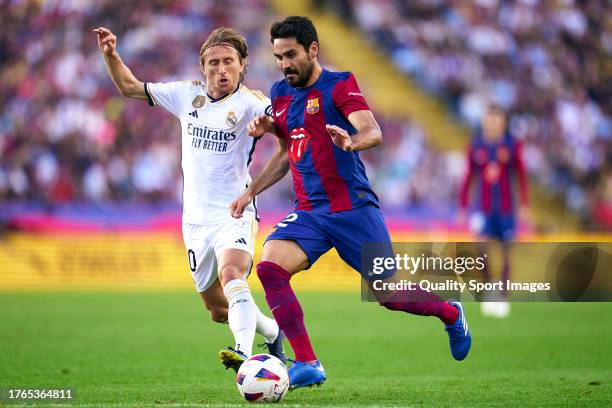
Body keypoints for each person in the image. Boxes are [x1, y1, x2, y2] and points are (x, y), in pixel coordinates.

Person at [231, 16, 471, 390]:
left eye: (291, 55)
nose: (284, 64)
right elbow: (285, 154)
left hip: (353, 210)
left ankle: (449, 311)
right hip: (310, 212)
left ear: (312, 50)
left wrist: (351, 142)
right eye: (279, 56)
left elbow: (372, 131)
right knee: (270, 268)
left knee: (389, 295)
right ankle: (308, 362)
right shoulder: (279, 93)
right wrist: (250, 192)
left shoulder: (340, 85)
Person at [94, 26, 285, 372]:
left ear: (243, 66)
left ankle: (243, 353)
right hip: (195, 220)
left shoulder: (254, 104)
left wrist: (270, 127)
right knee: (217, 309)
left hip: (234, 211)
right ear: (202, 68)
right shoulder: (186, 95)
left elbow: (287, 129)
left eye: (229, 61)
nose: (221, 69)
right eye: (213, 63)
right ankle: (273, 332)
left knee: (232, 273)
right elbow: (129, 87)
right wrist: (110, 54)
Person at [458, 104, 530, 318]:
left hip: (506, 208)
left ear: (503, 123)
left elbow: (521, 176)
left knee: (507, 251)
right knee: (481, 248)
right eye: (489, 119)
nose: (493, 124)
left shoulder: (512, 145)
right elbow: (468, 177)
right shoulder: (476, 145)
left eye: (497, 120)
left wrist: (525, 205)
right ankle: (490, 286)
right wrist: (463, 205)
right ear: (484, 122)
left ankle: (503, 296)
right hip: (483, 207)